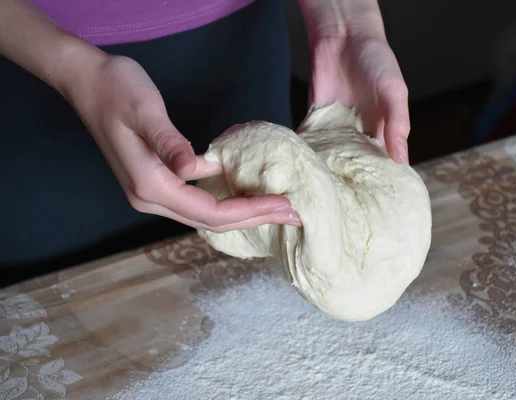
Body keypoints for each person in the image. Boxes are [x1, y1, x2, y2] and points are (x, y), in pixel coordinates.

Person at [0, 0, 410, 270]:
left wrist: (345, 21)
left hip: (236, 47)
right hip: (34, 61)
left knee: (256, 267)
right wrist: (71, 69)